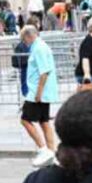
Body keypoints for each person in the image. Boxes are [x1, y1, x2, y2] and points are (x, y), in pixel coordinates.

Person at [20, 25, 59, 168]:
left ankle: (43, 149)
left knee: (25, 120)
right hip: (42, 91)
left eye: (24, 39)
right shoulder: (41, 47)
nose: (24, 42)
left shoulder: (38, 48)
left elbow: (44, 72)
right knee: (44, 121)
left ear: (29, 36)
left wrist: (38, 93)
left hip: (37, 92)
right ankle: (52, 151)